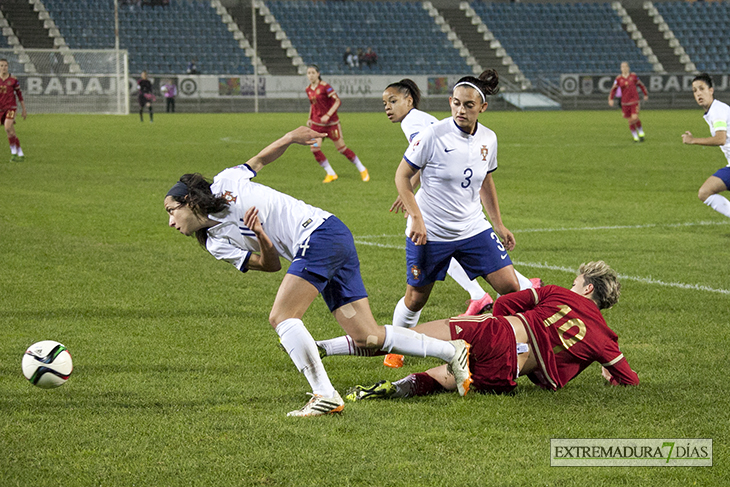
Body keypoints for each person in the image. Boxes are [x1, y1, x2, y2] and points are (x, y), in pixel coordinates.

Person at [164, 126, 474, 417]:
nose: (170, 221)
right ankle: (451, 351)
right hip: (326, 242)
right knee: (367, 336)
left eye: (171, 210)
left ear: (189, 201)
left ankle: (324, 395)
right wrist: (261, 236)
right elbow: (269, 265)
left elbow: (258, 160)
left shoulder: (225, 183)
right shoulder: (214, 242)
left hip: (321, 233)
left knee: (282, 317)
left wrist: (289, 137)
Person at [380, 79, 541, 368]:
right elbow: (402, 176)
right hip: (431, 232)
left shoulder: (488, 139)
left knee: (511, 286)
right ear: (450, 102)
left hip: (472, 228)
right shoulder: (432, 135)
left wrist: (498, 224)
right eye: (456, 103)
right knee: (416, 298)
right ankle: (396, 347)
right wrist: (416, 217)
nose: (460, 110)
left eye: (468, 105)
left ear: (482, 107)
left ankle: (531, 340)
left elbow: (486, 180)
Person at [333, 261, 639, 400]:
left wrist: (498, 327)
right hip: (507, 372)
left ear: (586, 288)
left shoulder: (560, 293)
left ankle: (322, 347)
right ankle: (398, 387)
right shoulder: (604, 339)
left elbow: (506, 301)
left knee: (399, 337)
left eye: (576, 281)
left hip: (496, 333)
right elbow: (630, 380)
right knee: (444, 378)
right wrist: (608, 373)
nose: (572, 284)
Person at [305, 64, 369, 183]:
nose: (311, 75)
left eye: (313, 73)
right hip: (316, 125)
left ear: (318, 74)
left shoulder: (325, 87)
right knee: (314, 149)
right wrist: (310, 118)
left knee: (342, 149)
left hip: (331, 124)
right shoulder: (308, 89)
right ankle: (331, 173)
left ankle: (362, 169)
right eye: (309, 73)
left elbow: (337, 101)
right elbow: (312, 105)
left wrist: (328, 115)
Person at [682, 73, 730, 219]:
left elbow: (720, 139)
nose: (698, 94)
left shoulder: (717, 112)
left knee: (705, 192)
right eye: (695, 91)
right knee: (705, 192)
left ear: (711, 90)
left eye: (701, 88)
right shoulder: (714, 110)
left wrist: (693, 140)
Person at [608, 62, 648, 142]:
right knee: (630, 120)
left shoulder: (633, 76)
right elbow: (613, 89)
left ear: (628, 68)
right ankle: (635, 137)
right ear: (621, 68)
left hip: (634, 100)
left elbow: (641, 85)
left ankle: (640, 132)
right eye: (622, 67)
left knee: (635, 117)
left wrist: (645, 94)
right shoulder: (618, 79)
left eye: (625, 66)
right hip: (625, 102)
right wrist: (610, 99)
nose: (624, 68)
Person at [0, 58, 27, 162]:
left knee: (7, 127)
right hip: (1, 108)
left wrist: (23, 109)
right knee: (10, 132)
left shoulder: (13, 80)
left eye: (5, 66)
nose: (3, 68)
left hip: (11, 107)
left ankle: (15, 153)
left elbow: (19, 95)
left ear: (8, 67)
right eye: (1, 66)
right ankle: (17, 153)